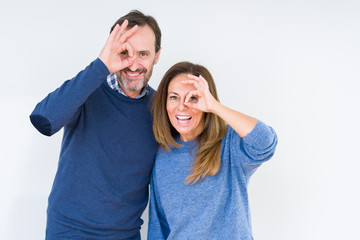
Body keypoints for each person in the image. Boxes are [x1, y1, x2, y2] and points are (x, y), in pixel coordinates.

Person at [30, 10, 161, 240]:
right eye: (124, 52)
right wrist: (101, 65)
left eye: (143, 54)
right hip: (69, 232)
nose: (133, 64)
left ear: (156, 57)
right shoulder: (88, 90)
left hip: (126, 235)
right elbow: (44, 120)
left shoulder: (162, 109)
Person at [148, 62, 278, 239]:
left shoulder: (230, 143)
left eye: (193, 98)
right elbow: (159, 228)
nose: (181, 106)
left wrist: (215, 106)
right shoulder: (163, 156)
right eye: (174, 97)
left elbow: (265, 142)